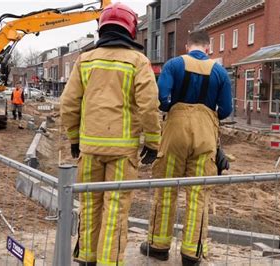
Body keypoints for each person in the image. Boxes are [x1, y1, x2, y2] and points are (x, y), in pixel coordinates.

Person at [60, 3, 161, 266]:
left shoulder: (85, 60)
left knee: (90, 206)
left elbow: (69, 103)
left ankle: (86, 259)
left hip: (89, 150)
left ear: (102, 28)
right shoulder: (138, 61)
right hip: (122, 153)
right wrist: (152, 142)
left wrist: (74, 139)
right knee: (115, 212)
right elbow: (149, 106)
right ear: (131, 30)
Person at [139, 30, 233, 266]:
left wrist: (173, 107)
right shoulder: (220, 71)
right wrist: (208, 114)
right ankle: (192, 253)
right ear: (208, 48)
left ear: (187, 45)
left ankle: (158, 246)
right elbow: (227, 109)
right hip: (205, 136)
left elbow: (161, 97)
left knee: (166, 189)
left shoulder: (173, 64)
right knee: (198, 194)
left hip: (175, 134)